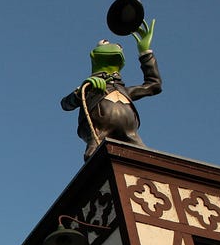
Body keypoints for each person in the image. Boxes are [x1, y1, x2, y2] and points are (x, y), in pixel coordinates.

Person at [61, 20, 161, 160]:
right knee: (94, 154)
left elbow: (154, 85)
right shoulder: (90, 89)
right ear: (93, 55)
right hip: (98, 131)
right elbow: (65, 104)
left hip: (131, 133)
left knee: (144, 158)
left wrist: (145, 53)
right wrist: (81, 90)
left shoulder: (124, 90)